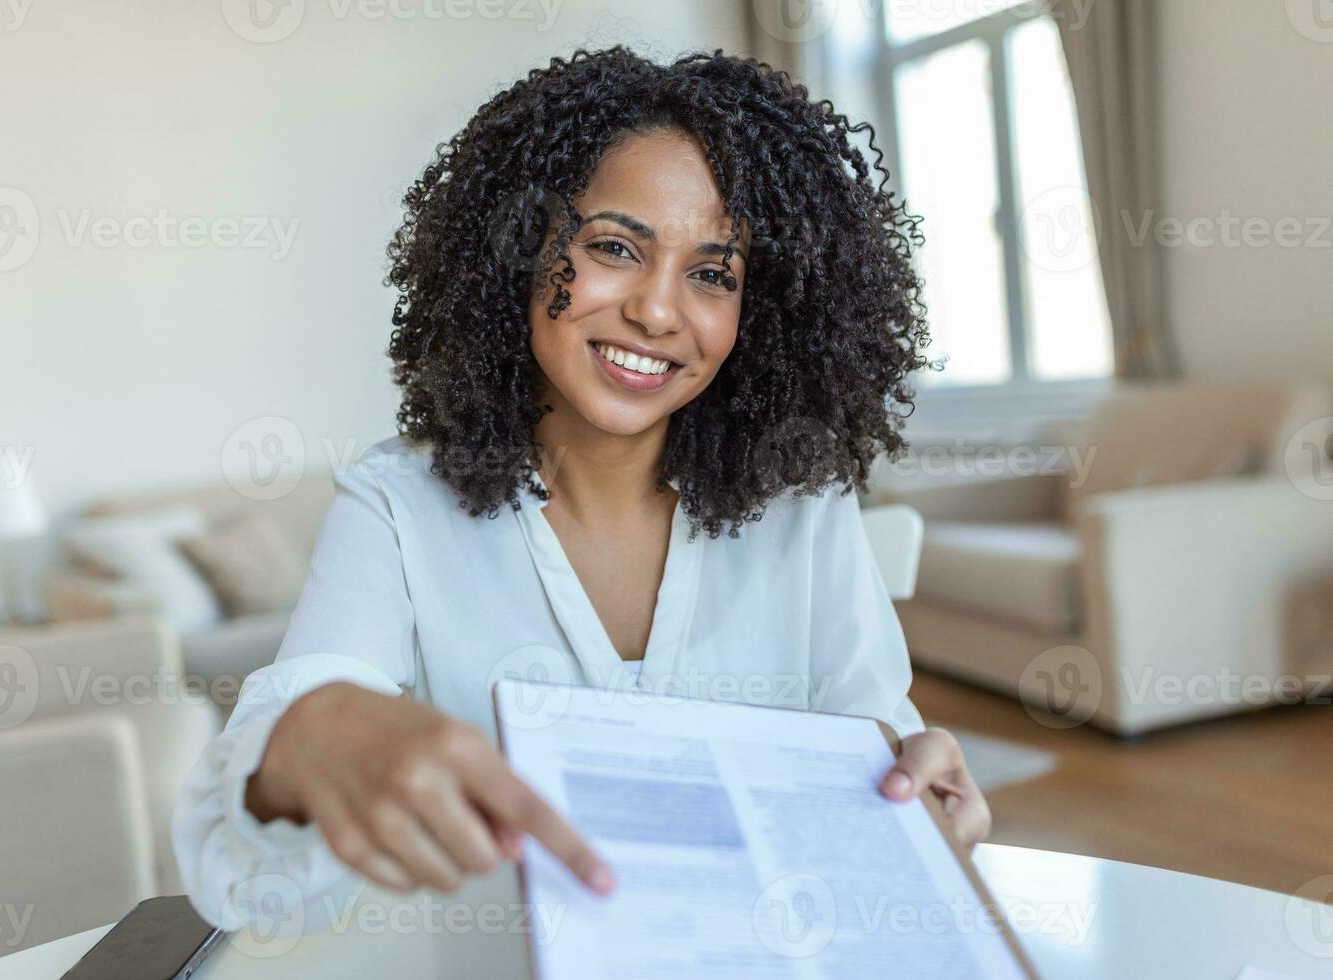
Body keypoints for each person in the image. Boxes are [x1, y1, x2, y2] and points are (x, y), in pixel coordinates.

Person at [173, 45, 990, 933]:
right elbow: (252, 888)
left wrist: (921, 796)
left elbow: (873, 752)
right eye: (613, 247)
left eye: (713, 274)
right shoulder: (398, 507)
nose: (657, 311)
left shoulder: (804, 507)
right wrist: (302, 744)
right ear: (520, 252)